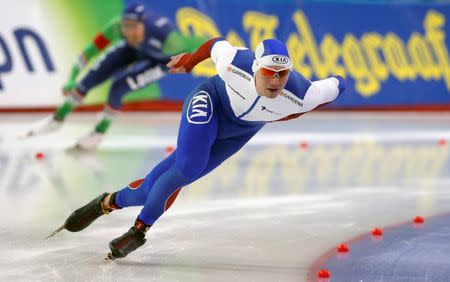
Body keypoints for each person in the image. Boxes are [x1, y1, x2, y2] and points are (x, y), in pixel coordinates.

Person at [47, 37, 346, 260]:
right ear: (256, 67)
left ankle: (108, 202)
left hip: (239, 132)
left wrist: (293, 111)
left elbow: (336, 86)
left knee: (157, 184)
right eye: (269, 72)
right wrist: (189, 61)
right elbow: (215, 43)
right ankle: (139, 231)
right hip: (210, 101)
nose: (276, 81)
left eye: (282, 74)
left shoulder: (302, 93)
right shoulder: (234, 63)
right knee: (189, 166)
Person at [24, 3, 206, 150]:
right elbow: (87, 54)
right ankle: (57, 119)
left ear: (144, 25)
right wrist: (71, 79)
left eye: (134, 27)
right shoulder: (117, 29)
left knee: (118, 87)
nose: (129, 32)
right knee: (89, 79)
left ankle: (98, 133)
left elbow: (194, 45)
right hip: (134, 50)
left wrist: (212, 51)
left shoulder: (169, 39)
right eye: (126, 27)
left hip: (162, 61)